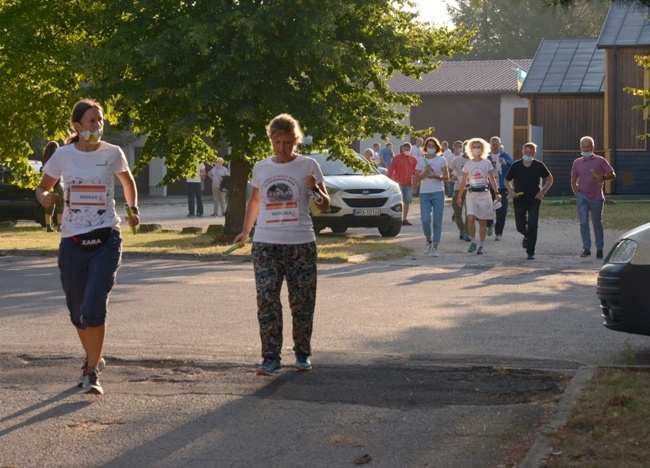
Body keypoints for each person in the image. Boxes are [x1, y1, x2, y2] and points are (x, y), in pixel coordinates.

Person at [36, 99, 140, 395]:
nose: (98, 126)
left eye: (100, 121)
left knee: (94, 304)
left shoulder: (113, 153)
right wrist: (43, 197)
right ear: (77, 126)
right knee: (76, 309)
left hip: (106, 236)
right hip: (72, 239)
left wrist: (133, 210)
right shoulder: (63, 155)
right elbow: (43, 186)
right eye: (92, 121)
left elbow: (128, 181)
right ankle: (95, 357)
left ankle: (92, 370)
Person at [233, 114, 330, 376]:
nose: (282, 148)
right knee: (266, 301)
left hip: (300, 243)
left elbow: (325, 205)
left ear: (296, 141)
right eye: (277, 142)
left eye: (287, 142)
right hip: (266, 244)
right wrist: (245, 231)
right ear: (271, 140)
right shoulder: (261, 167)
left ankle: (302, 354)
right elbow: (254, 201)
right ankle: (270, 357)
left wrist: (315, 190)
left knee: (302, 302)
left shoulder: (308, 165)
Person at [505, 142, 554, 260]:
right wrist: (511, 191)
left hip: (534, 199)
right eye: (526, 152)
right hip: (519, 198)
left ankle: (530, 251)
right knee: (520, 226)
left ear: (534, 153)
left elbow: (549, 179)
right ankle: (527, 236)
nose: (528, 154)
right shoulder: (516, 166)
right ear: (522, 152)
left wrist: (542, 192)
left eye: (530, 153)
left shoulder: (539, 165)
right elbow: (507, 180)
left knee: (533, 224)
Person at [571, 136, 616, 259]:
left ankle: (600, 248)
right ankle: (586, 248)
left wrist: (604, 178)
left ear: (593, 147)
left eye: (588, 146)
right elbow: (573, 179)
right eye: (583, 146)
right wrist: (577, 194)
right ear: (581, 147)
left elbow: (612, 174)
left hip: (596, 197)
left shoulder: (600, 160)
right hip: (582, 196)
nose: (586, 148)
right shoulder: (577, 162)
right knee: (584, 222)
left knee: (597, 223)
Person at [456, 138, 501, 255]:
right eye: (474, 147)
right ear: (470, 149)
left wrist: (496, 193)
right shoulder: (468, 164)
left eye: (479, 147)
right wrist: (459, 196)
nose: (476, 149)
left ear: (483, 149)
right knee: (470, 218)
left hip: (484, 194)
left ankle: (481, 245)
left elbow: (492, 179)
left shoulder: (487, 163)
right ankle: (473, 241)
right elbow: (464, 181)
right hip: (471, 194)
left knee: (482, 220)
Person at [414, 137, 449, 256]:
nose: (431, 148)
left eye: (433, 146)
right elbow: (416, 179)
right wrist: (425, 172)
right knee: (425, 219)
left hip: (438, 192)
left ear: (437, 147)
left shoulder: (441, 160)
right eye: (429, 145)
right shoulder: (421, 161)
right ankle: (428, 240)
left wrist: (438, 177)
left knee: (437, 221)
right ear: (425, 147)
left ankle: (435, 247)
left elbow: (447, 177)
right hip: (425, 193)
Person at [486, 136, 513, 240]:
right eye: (493, 145)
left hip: (502, 187)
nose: (495, 147)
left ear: (500, 145)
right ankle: (489, 224)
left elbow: (513, 165)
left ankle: (498, 233)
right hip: (489, 187)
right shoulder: (487, 157)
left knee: (501, 212)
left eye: (497, 145)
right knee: (487, 209)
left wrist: (505, 162)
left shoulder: (505, 155)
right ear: (490, 146)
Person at [387, 141, 418, 226]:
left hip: (409, 183)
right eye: (406, 149)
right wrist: (389, 181)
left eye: (409, 149)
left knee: (407, 202)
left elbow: (416, 172)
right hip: (399, 183)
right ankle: (398, 218)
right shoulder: (396, 158)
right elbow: (391, 170)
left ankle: (404, 219)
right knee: (399, 202)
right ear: (402, 149)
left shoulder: (413, 159)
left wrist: (416, 184)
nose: (407, 151)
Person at [449, 141, 471, 241]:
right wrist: (454, 177)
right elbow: (448, 172)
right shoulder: (457, 160)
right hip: (458, 189)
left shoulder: (473, 160)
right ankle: (461, 229)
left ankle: (467, 232)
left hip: (470, 189)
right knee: (457, 212)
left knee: (469, 212)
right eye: (464, 147)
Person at [40, 141, 63, 232]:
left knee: (49, 205)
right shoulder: (55, 155)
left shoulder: (45, 157)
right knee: (61, 204)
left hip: (48, 184)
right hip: (56, 183)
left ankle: (48, 226)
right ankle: (60, 225)